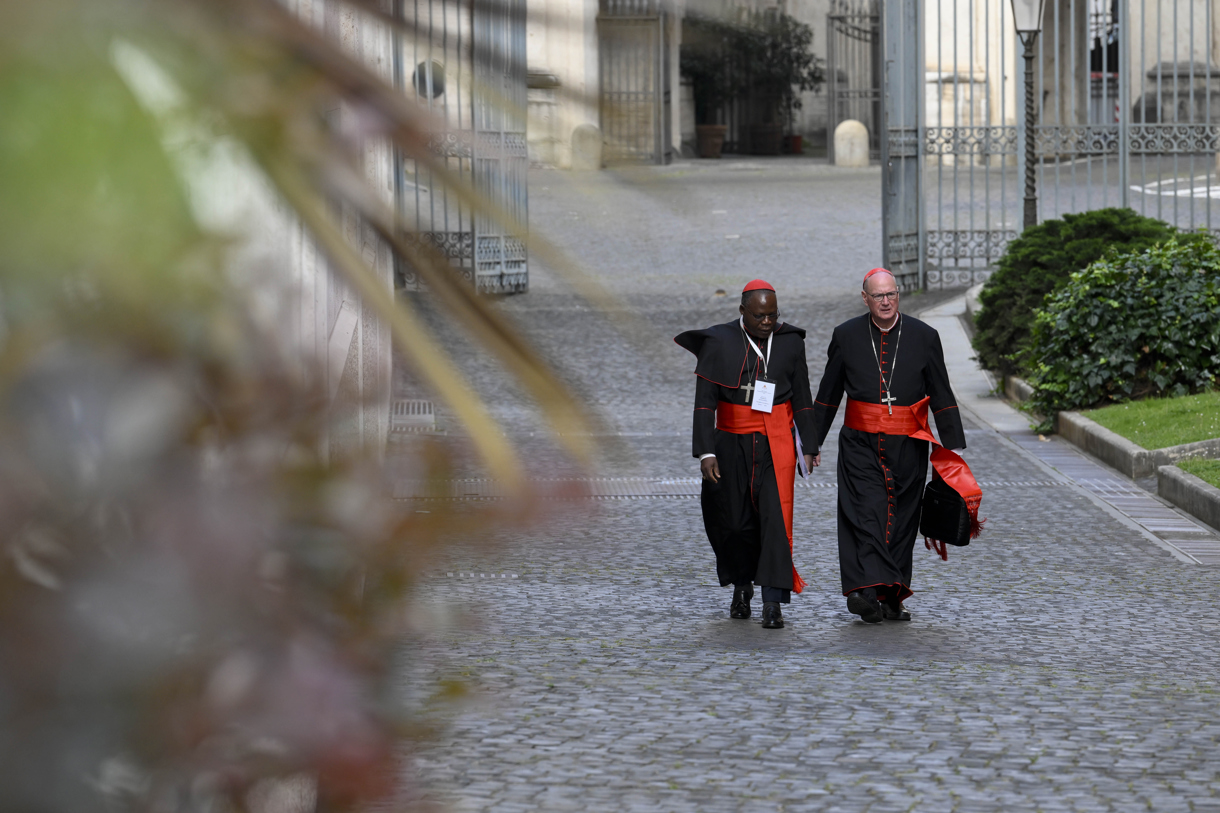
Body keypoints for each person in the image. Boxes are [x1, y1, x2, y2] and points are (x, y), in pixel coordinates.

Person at [811, 268, 980, 624]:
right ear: (865, 298)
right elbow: (828, 396)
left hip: (909, 444)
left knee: (903, 520)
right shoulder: (846, 336)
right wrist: (811, 443)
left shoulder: (924, 336)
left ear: (897, 295)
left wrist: (953, 450)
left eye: (891, 294)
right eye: (878, 296)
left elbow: (942, 392)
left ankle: (892, 596)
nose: (886, 302)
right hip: (859, 443)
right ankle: (864, 591)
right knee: (865, 514)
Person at [674, 280, 819, 630]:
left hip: (775, 443)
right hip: (729, 445)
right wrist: (706, 452)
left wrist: (810, 446)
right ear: (742, 312)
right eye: (759, 316)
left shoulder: (789, 342)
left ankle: (773, 602)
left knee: (774, 520)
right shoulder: (719, 342)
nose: (768, 322)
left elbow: (801, 396)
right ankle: (742, 587)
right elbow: (705, 402)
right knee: (734, 523)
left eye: (773, 315)